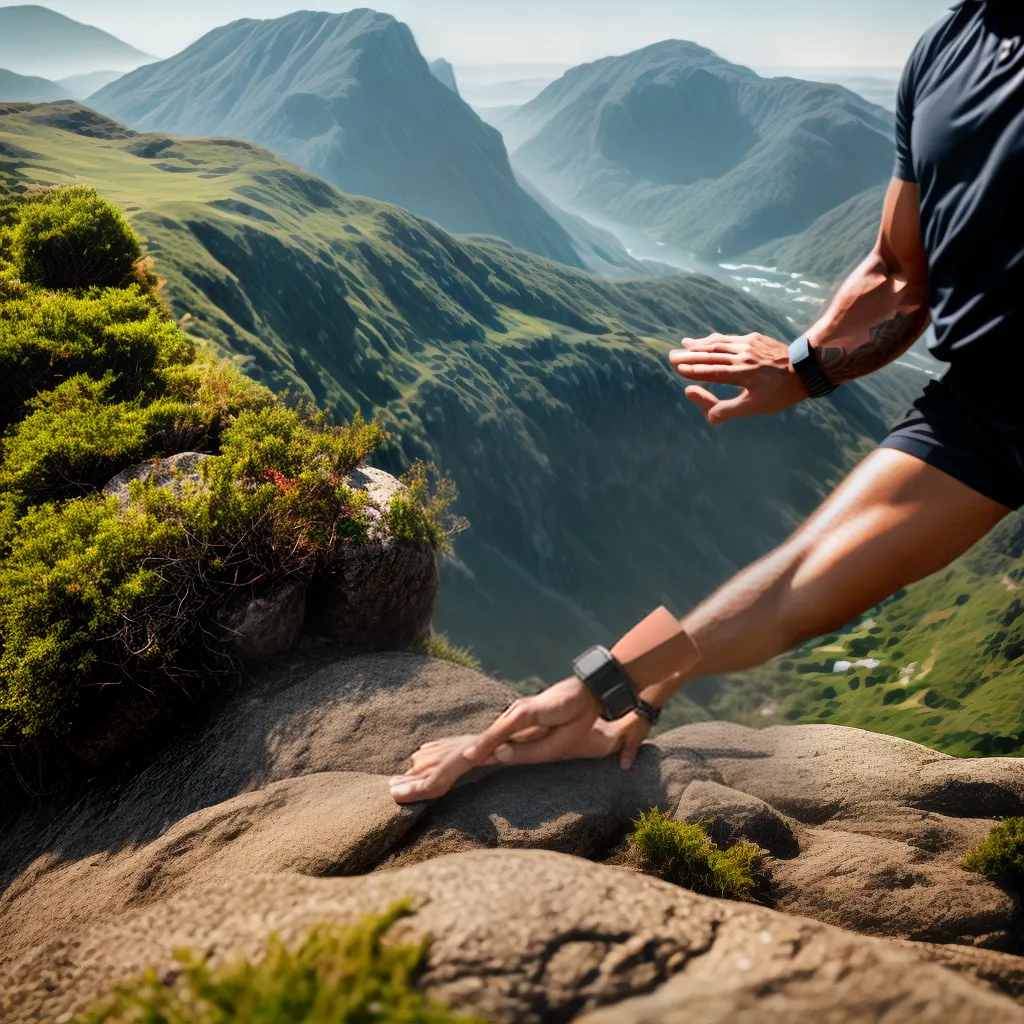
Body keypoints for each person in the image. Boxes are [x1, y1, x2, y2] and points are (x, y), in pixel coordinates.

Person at [390, 0, 1023, 804]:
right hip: (993, 397)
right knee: (796, 574)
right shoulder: (949, 49)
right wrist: (614, 690)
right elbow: (901, 273)